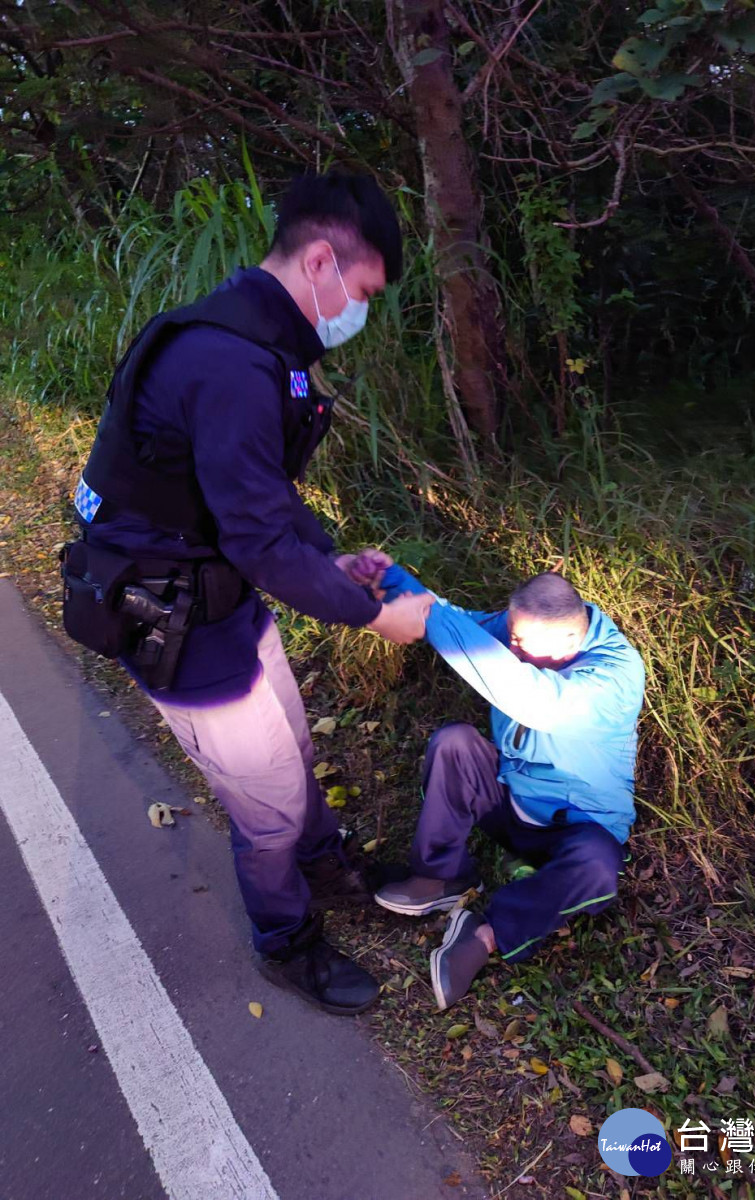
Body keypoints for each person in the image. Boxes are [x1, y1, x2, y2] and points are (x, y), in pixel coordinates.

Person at [63, 171, 434, 1017]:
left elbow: (261, 501)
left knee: (293, 754)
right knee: (265, 805)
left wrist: (331, 563)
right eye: (363, 290)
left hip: (222, 596)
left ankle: (324, 865)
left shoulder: (259, 346)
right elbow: (261, 538)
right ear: (319, 261)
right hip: (177, 623)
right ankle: (286, 939)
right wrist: (377, 615)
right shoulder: (228, 362)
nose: (360, 312)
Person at [373, 566, 645, 1010]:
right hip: (509, 797)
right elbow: (458, 619)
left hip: (575, 827)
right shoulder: (528, 628)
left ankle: (486, 934)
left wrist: (430, 618)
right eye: (511, 637)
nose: (511, 646)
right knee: (454, 743)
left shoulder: (614, 676)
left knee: (598, 866)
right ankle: (440, 874)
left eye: (520, 644)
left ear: (570, 642)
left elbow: (531, 698)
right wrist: (389, 580)